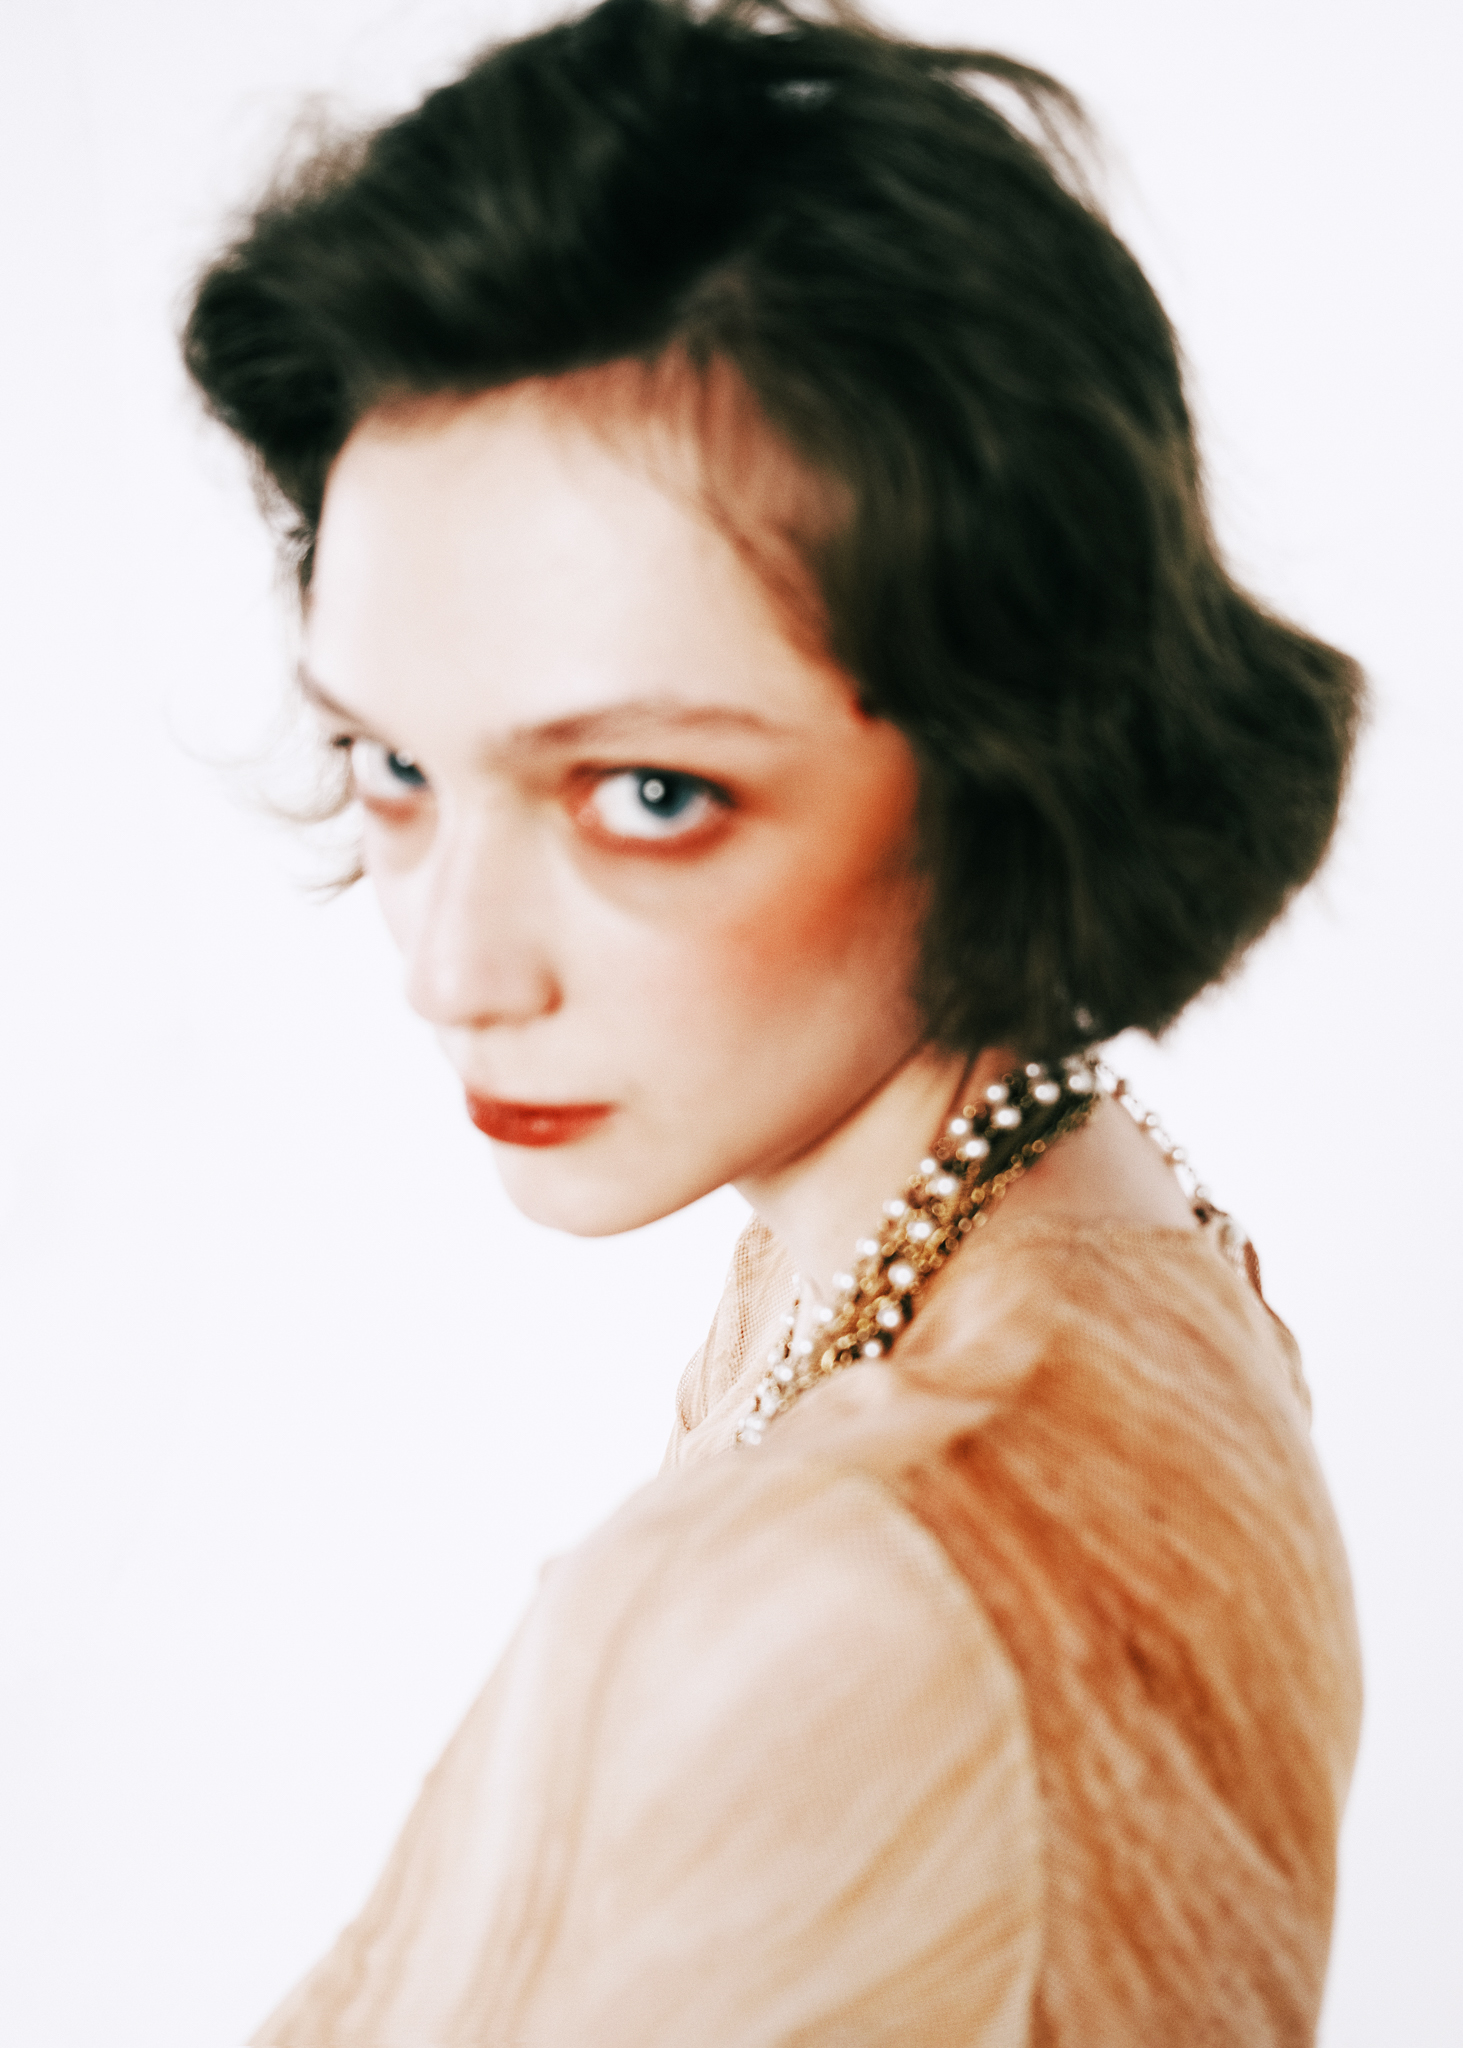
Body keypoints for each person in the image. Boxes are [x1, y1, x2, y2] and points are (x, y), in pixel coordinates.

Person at [183, 1, 1363, 2040]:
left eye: (648, 792)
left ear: (1007, 741)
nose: (454, 967)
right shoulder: (1032, 1226)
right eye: (392, 764)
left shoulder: (836, 1599)